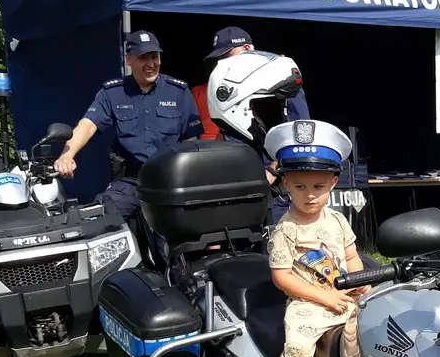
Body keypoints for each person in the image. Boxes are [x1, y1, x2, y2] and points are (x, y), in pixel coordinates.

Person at [53, 30, 202, 266]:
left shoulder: (178, 92)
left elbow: (192, 141)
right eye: (143, 58)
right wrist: (68, 154)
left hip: (169, 183)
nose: (151, 64)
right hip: (130, 183)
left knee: (174, 247)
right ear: (129, 60)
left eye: (155, 57)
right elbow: (86, 126)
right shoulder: (112, 93)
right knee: (100, 223)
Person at [265, 120, 365, 357]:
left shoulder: (337, 219)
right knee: (296, 348)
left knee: (367, 340)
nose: (310, 195)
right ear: (286, 184)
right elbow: (282, 276)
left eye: (318, 186)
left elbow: (351, 257)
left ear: (333, 183)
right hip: (308, 302)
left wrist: (359, 284)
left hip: (345, 296)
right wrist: (324, 296)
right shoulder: (286, 229)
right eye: (300, 186)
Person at [206, 26, 311, 224]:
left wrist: (272, 171)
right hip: (242, 189)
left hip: (278, 191)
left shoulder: (283, 82)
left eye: (228, 55)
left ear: (248, 49)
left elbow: (301, 135)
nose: (224, 63)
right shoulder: (231, 91)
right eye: (220, 59)